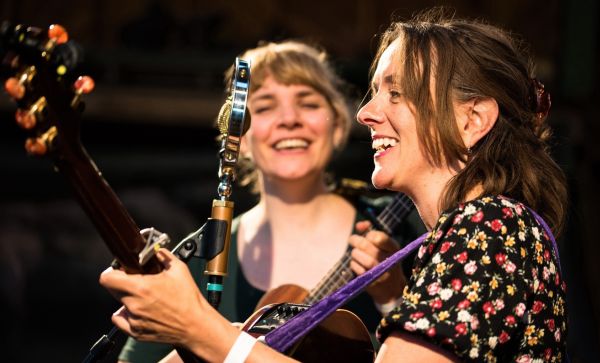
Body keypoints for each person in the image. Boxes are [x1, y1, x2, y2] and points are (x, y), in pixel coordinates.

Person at [100, 8, 568, 362]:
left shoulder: (492, 226)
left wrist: (200, 325)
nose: (367, 112)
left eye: (396, 91)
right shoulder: (478, 231)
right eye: (372, 92)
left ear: (473, 120)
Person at [116, 40, 417, 363]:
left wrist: (393, 300)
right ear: (239, 137)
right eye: (265, 106)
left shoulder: (407, 228)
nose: (289, 119)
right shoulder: (204, 255)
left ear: (339, 123)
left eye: (308, 103)